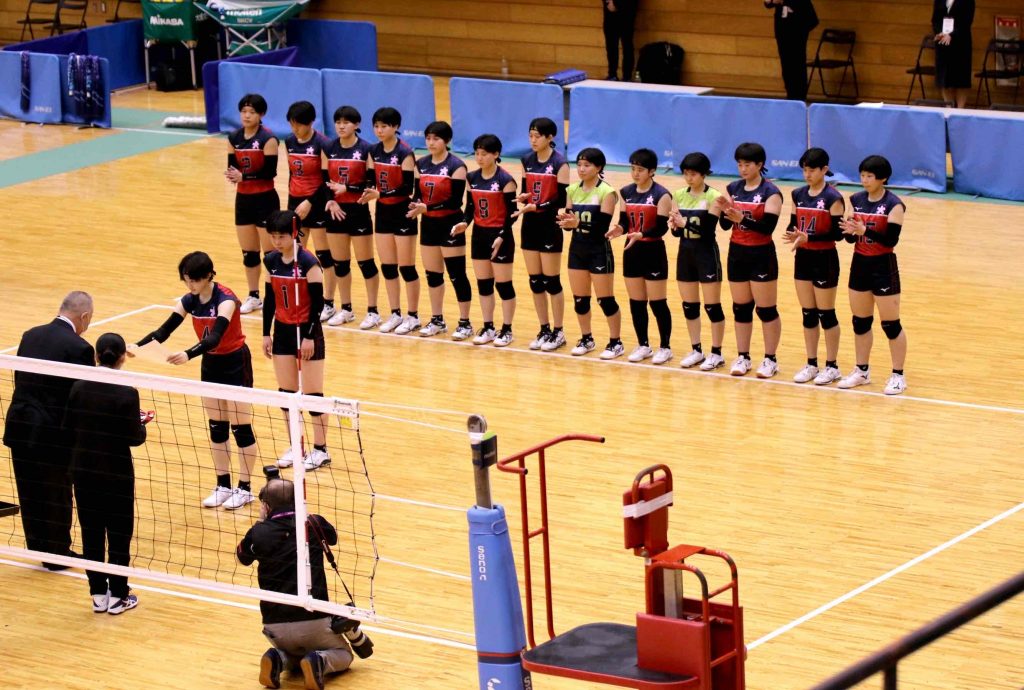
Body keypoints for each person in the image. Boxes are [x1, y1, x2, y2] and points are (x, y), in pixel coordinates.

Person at [135, 252, 259, 509]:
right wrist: (136, 346)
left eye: (194, 280)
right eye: (186, 280)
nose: (190, 285)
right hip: (211, 364)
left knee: (241, 428)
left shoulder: (226, 300)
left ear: (208, 276)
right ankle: (223, 485)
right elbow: (163, 331)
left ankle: (245, 488)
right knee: (217, 427)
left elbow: (214, 338)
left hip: (235, 362)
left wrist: (187, 354)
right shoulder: (189, 300)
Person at [238, 478, 368, 690]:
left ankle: (278, 658)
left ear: (266, 506)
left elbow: (242, 557)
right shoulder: (313, 523)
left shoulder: (258, 533)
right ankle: (319, 661)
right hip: (313, 620)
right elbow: (332, 537)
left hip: (274, 626)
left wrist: (262, 524)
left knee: (295, 656)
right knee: (344, 654)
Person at [3, 291, 94, 569]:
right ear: (84, 316)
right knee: (56, 493)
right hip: (51, 433)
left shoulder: (30, 335)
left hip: (20, 424)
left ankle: (38, 548)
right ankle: (57, 554)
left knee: (29, 489)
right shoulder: (80, 348)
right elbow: (81, 396)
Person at [64, 333, 147, 615]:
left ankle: (98, 594)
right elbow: (134, 438)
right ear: (123, 357)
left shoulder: (78, 387)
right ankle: (119, 596)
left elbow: (68, 427)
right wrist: (141, 424)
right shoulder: (127, 392)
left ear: (96, 356)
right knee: (119, 536)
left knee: (92, 534)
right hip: (116, 475)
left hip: (84, 472)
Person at [262, 210, 331, 468]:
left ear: (293, 234)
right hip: (282, 331)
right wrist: (265, 333)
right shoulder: (270, 261)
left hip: (307, 331)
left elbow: (318, 303)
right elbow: (269, 300)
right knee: (286, 394)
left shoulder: (308, 263)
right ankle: (296, 445)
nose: (276, 241)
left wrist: (310, 337)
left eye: (281, 236)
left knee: (313, 394)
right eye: (273, 236)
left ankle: (321, 449)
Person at [837, 155, 908, 395]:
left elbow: (891, 240)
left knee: (890, 325)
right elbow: (849, 238)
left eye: (870, 176)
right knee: (860, 322)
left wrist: (864, 229)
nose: (865, 180)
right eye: (862, 175)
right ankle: (861, 371)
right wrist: (849, 231)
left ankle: (898, 375)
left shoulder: (894, 204)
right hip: (860, 265)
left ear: (883, 178)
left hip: (883, 266)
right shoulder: (855, 200)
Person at [715, 142, 783, 378]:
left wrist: (741, 219)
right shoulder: (733, 188)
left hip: (761, 254)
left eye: (747, 164)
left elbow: (767, 228)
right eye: (739, 164)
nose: (742, 169)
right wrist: (726, 211)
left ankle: (770, 359)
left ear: (759, 165)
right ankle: (743, 356)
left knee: (766, 310)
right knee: (741, 309)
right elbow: (726, 226)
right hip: (737, 253)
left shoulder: (771, 192)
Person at [783, 148, 846, 385]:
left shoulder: (833, 198)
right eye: (804, 170)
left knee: (826, 313)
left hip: (825, 259)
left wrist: (810, 237)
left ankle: (832, 366)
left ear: (824, 170)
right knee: (808, 313)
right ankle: (811, 363)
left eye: (812, 170)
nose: (807, 174)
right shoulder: (797, 194)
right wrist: (793, 235)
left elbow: (837, 234)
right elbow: (792, 224)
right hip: (803, 258)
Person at [407, 121, 474, 340]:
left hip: (450, 225)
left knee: (457, 275)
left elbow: (455, 202)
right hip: (428, 225)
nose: (431, 142)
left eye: (436, 138)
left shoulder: (457, 166)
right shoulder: (421, 164)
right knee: (433, 275)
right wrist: (415, 204)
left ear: (446, 141)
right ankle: (437, 319)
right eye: (428, 138)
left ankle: (465, 322)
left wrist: (427, 207)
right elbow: (418, 194)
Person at [607, 148, 674, 364]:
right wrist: (619, 229)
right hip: (632, 251)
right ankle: (643, 345)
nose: (635, 173)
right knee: (637, 302)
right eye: (633, 169)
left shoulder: (662, 194)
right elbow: (624, 222)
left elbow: (662, 227)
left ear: (652, 171)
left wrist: (642, 234)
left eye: (640, 169)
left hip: (653, 251)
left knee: (657, 303)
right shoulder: (625, 192)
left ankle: (665, 347)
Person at [557, 147, 624, 359]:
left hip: (599, 251)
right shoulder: (572, 190)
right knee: (580, 300)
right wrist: (565, 222)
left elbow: (602, 227)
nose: (581, 169)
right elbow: (569, 224)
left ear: (599, 167)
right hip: (577, 250)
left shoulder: (607, 192)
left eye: (587, 165)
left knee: (605, 300)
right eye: (579, 165)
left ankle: (615, 342)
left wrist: (577, 223)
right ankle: (586, 339)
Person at [452, 134, 518, 347]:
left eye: (484, 154)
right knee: (484, 284)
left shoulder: (506, 180)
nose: (479, 158)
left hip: (500, 237)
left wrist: (502, 236)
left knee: (504, 285)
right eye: (477, 153)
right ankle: (488, 326)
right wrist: (464, 223)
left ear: (496, 154)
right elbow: (470, 208)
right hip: (479, 235)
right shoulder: (471, 177)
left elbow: (512, 214)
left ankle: (506, 329)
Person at [513, 117, 569, 352]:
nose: (533, 140)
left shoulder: (560, 164)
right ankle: (544, 328)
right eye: (531, 136)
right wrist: (523, 198)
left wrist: (538, 206)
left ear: (550, 137)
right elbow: (526, 191)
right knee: (535, 281)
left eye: (538, 136)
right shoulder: (527, 160)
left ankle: (559, 331)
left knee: (551, 281)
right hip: (530, 224)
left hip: (549, 225)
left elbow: (562, 199)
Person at [363, 107, 420, 335]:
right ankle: (395, 313)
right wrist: (367, 191)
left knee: (407, 267)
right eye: (376, 126)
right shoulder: (373, 151)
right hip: (383, 213)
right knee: (388, 267)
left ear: (395, 127)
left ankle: (413, 316)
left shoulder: (405, 152)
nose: (379, 130)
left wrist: (380, 194)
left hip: (403, 213)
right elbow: (370, 179)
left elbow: (407, 188)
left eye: (384, 126)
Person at [323, 105, 381, 330]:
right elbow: (323, 180)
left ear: (356, 125)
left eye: (346, 122)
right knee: (340, 264)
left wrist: (347, 188)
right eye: (338, 122)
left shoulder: (367, 149)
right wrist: (330, 199)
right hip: (335, 211)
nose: (341, 126)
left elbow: (370, 183)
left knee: (366, 263)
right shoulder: (328, 148)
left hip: (358, 211)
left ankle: (373, 311)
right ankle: (346, 309)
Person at [669, 152, 726, 371]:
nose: (689, 178)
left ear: (704, 174)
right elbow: (677, 233)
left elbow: (708, 230)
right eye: (686, 174)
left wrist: (684, 224)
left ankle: (717, 353)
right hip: (685, 255)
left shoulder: (714, 196)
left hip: (706, 255)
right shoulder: (678, 195)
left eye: (693, 174)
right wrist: (675, 226)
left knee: (712, 307)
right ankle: (696, 350)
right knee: (689, 306)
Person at [225, 93, 279, 315]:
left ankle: (273, 296)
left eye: (252, 112)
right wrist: (232, 175)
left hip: (265, 199)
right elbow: (232, 166)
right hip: (243, 200)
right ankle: (254, 295)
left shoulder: (268, 139)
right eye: (244, 111)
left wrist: (244, 177)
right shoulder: (234, 137)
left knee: (270, 253)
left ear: (261, 114)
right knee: (249, 253)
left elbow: (270, 172)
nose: (247, 115)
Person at [284, 101, 336, 322]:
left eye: (299, 124)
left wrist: (310, 202)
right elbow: (292, 175)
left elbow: (327, 181)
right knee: (297, 254)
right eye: (292, 124)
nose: (295, 128)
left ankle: (328, 302)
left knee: (324, 256)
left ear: (311, 122)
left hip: (317, 204)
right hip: (296, 204)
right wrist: (292, 207)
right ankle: (302, 299)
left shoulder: (323, 143)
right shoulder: (289, 141)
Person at [764, 0, 818, 101]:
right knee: (786, 64)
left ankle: (799, 96)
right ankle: (790, 94)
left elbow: (804, 9)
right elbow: (768, 4)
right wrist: (770, 2)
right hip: (782, 28)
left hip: (797, 28)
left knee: (797, 63)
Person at [932, 0, 974, 108]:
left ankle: (960, 110)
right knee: (945, 78)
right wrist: (939, 33)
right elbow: (935, 19)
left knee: (961, 79)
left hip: (961, 43)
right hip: (943, 42)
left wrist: (952, 35)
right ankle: (948, 108)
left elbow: (967, 21)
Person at [602, 0, 638, 81]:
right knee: (611, 46)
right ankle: (612, 74)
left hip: (627, 12)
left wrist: (617, 4)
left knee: (627, 45)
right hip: (610, 15)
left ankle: (627, 76)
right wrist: (609, 2)